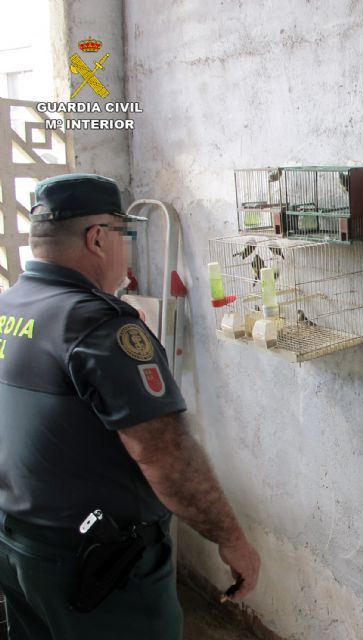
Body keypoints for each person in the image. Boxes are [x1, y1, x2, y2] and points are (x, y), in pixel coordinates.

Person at [0, 173, 260, 640]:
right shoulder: (99, 328)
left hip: (19, 547)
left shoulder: (10, 308)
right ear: (97, 238)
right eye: (127, 235)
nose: (129, 249)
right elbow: (165, 457)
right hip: (96, 569)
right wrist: (232, 541)